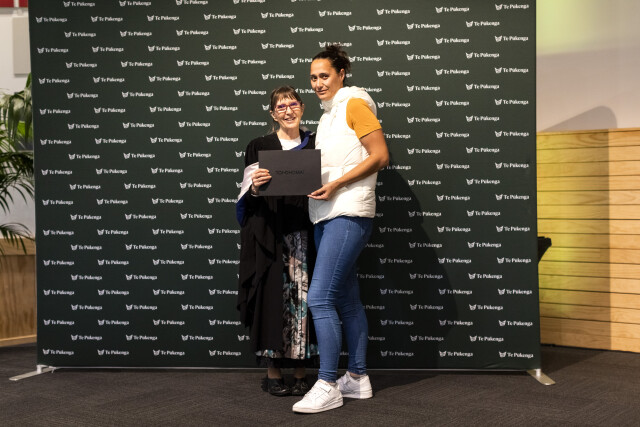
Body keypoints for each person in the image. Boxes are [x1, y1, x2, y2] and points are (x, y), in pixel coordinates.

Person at [292, 45, 389, 413]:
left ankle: (327, 383)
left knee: (319, 299)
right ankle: (358, 378)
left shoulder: (354, 104)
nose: (318, 83)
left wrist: (336, 185)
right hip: (325, 215)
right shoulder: (327, 117)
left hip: (348, 213)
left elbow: (380, 155)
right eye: (313, 78)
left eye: (324, 76)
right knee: (347, 300)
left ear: (341, 74)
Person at [236, 86, 317, 397]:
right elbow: (247, 196)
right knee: (271, 302)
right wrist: (255, 188)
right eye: (281, 107)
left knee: (303, 302)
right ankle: (273, 373)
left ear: (302, 107)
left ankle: (300, 372)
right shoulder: (259, 147)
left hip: (305, 234)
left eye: (292, 104)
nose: (288, 110)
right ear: (272, 113)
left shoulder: (315, 144)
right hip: (270, 235)